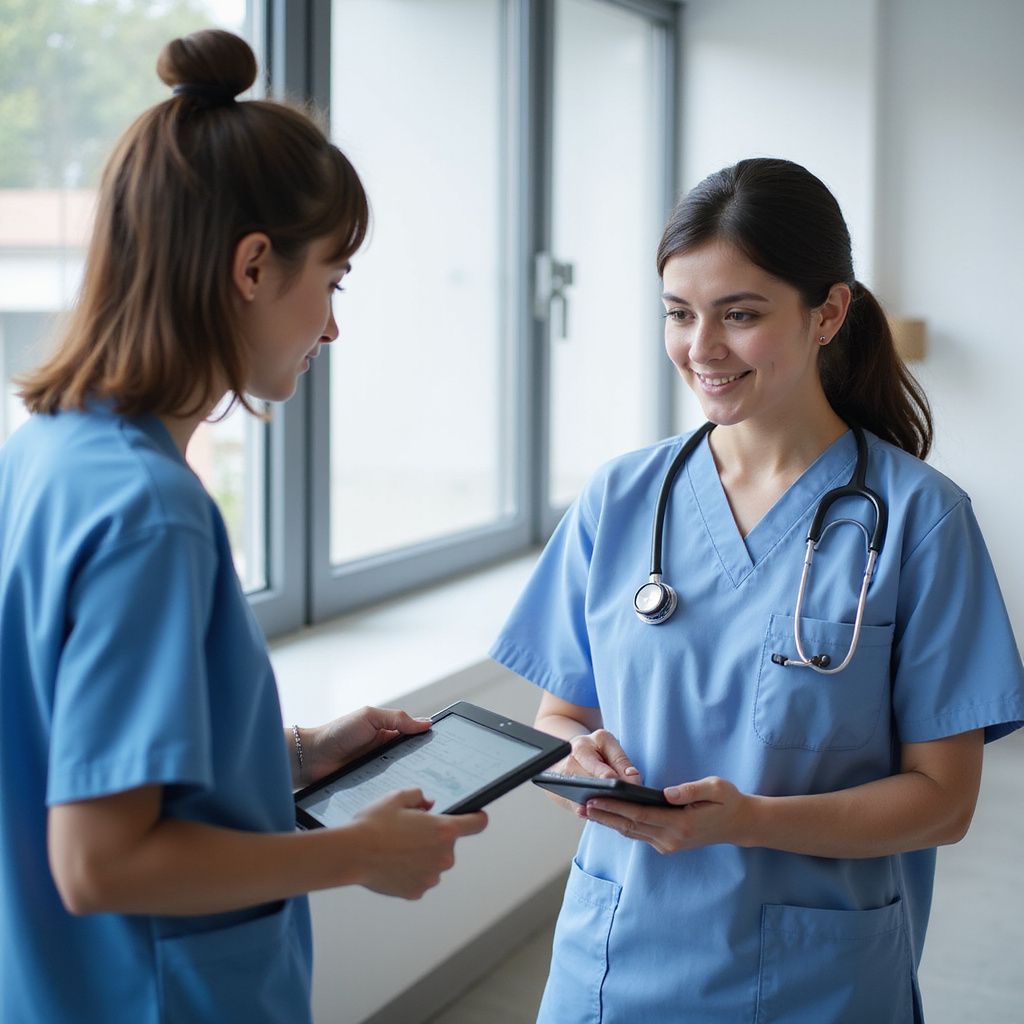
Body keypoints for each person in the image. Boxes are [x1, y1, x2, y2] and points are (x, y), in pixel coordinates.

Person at [0, 29, 487, 1024]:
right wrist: (359, 854)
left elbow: (73, 748)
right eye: (334, 280)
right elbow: (100, 860)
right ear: (254, 265)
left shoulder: (46, 453)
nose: (333, 328)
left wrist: (294, 755)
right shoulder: (150, 513)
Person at [490, 157, 1024, 1023]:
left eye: (740, 315)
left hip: (816, 980)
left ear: (829, 313)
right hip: (614, 963)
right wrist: (574, 761)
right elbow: (561, 716)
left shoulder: (920, 521)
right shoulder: (621, 499)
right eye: (678, 313)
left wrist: (750, 821)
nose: (701, 349)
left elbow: (944, 802)